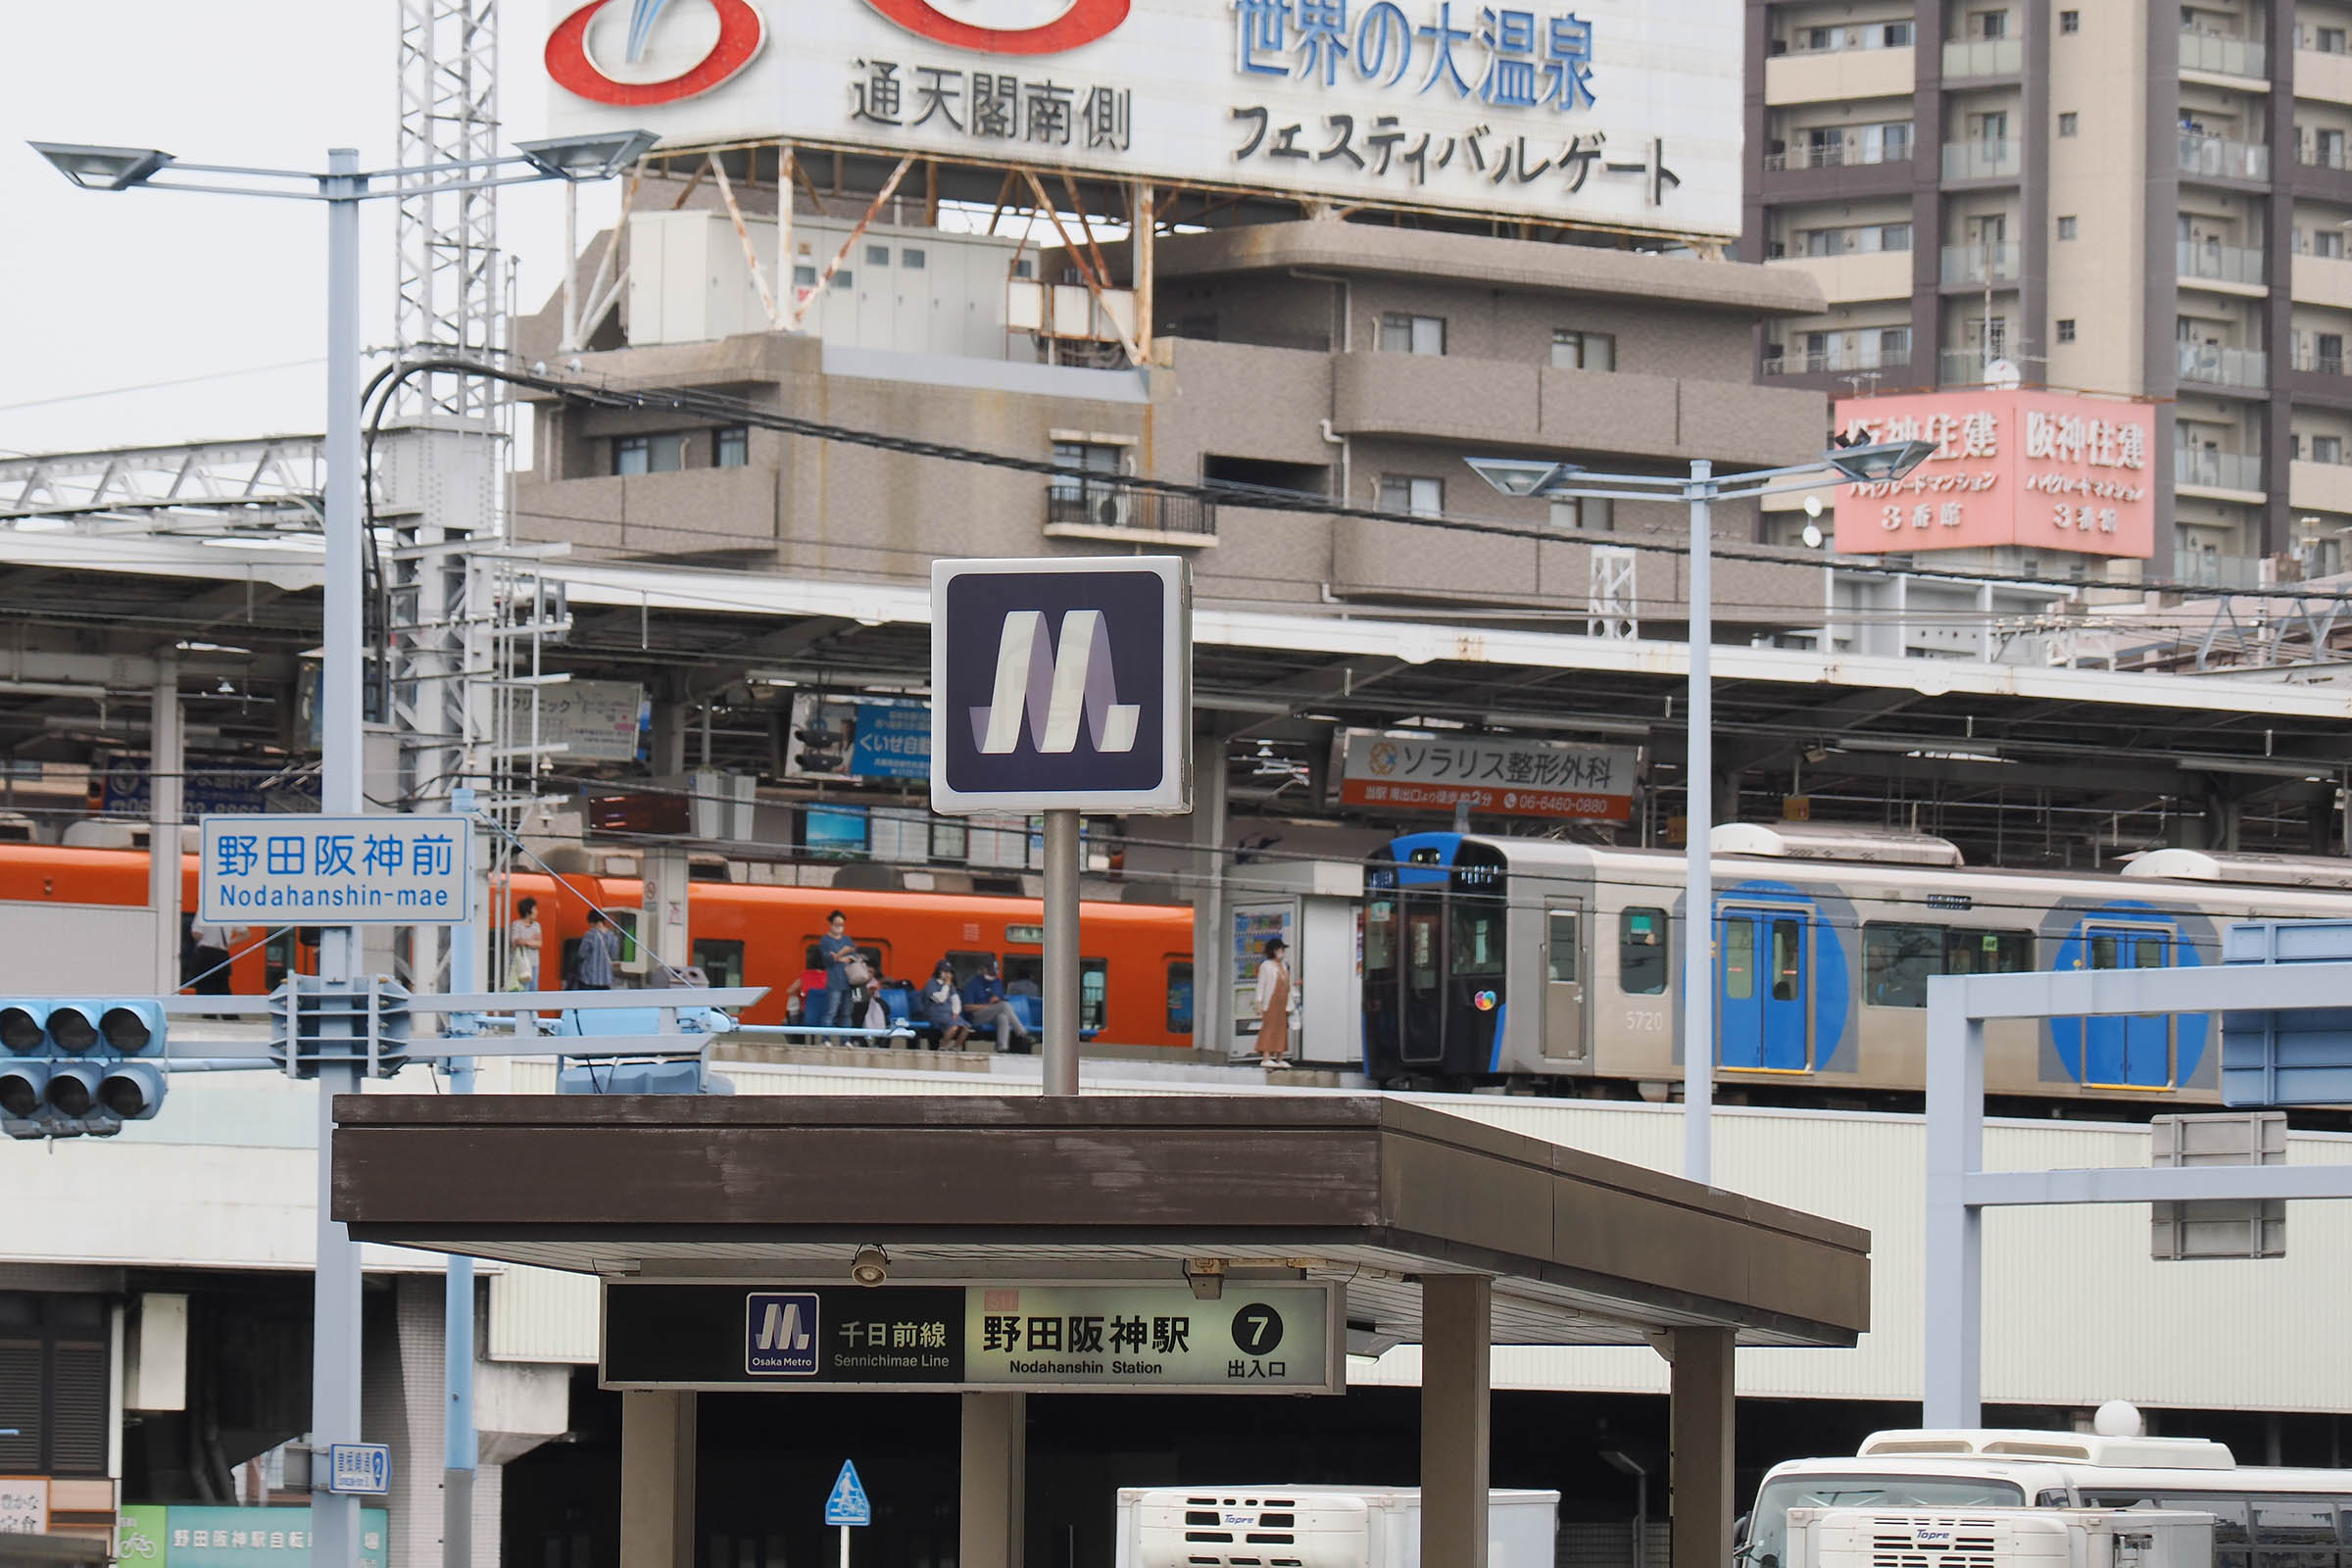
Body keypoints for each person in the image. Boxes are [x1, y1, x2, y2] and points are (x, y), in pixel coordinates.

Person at [961, 956, 1033, 1054]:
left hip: (992, 1014)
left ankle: (1002, 1048)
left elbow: (1001, 998)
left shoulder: (996, 982)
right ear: (984, 969)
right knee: (1004, 1006)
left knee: (1002, 1017)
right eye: (991, 972)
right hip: (976, 1017)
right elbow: (967, 1007)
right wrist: (988, 1005)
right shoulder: (973, 984)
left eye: (995, 973)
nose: (993, 975)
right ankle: (1022, 1033)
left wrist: (997, 1001)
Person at [816, 909, 862, 1029]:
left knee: (847, 1013)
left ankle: (845, 1040)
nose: (839, 927)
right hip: (834, 982)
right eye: (837, 924)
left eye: (841, 924)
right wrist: (839, 958)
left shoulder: (847, 939)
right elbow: (826, 958)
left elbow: (854, 955)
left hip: (849, 982)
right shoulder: (825, 940)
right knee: (831, 1011)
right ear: (831, 924)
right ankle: (826, 1039)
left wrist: (841, 958)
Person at [1252, 936, 1294, 1068]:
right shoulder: (1266, 966)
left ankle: (1280, 1057)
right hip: (1271, 1001)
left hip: (1283, 1002)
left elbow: (1288, 984)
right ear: (1274, 950)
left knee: (1282, 1029)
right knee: (1269, 1028)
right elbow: (1261, 985)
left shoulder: (1284, 966)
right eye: (1280, 949)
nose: (1282, 952)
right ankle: (1266, 1056)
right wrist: (1258, 1002)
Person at [918, 961, 972, 1050]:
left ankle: (955, 1047)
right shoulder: (931, 983)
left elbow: (956, 999)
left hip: (949, 1013)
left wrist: (956, 1012)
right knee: (954, 1027)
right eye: (945, 971)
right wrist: (946, 985)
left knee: (966, 1028)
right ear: (939, 971)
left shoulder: (951, 986)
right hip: (935, 1013)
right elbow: (940, 999)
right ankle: (942, 1046)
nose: (948, 974)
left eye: (949, 972)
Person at [573, 907, 621, 990]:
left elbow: (582, 954)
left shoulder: (590, 935)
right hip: (606, 979)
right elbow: (614, 956)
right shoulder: (612, 936)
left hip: (589, 979)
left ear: (592, 921)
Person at [509, 897, 542, 992]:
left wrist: (525, 941)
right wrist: (531, 941)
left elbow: (539, 943)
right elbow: (516, 941)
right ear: (528, 911)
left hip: (534, 963)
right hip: (521, 964)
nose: (537, 911)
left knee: (533, 989)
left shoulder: (536, 925)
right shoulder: (516, 924)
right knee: (522, 989)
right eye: (534, 909)